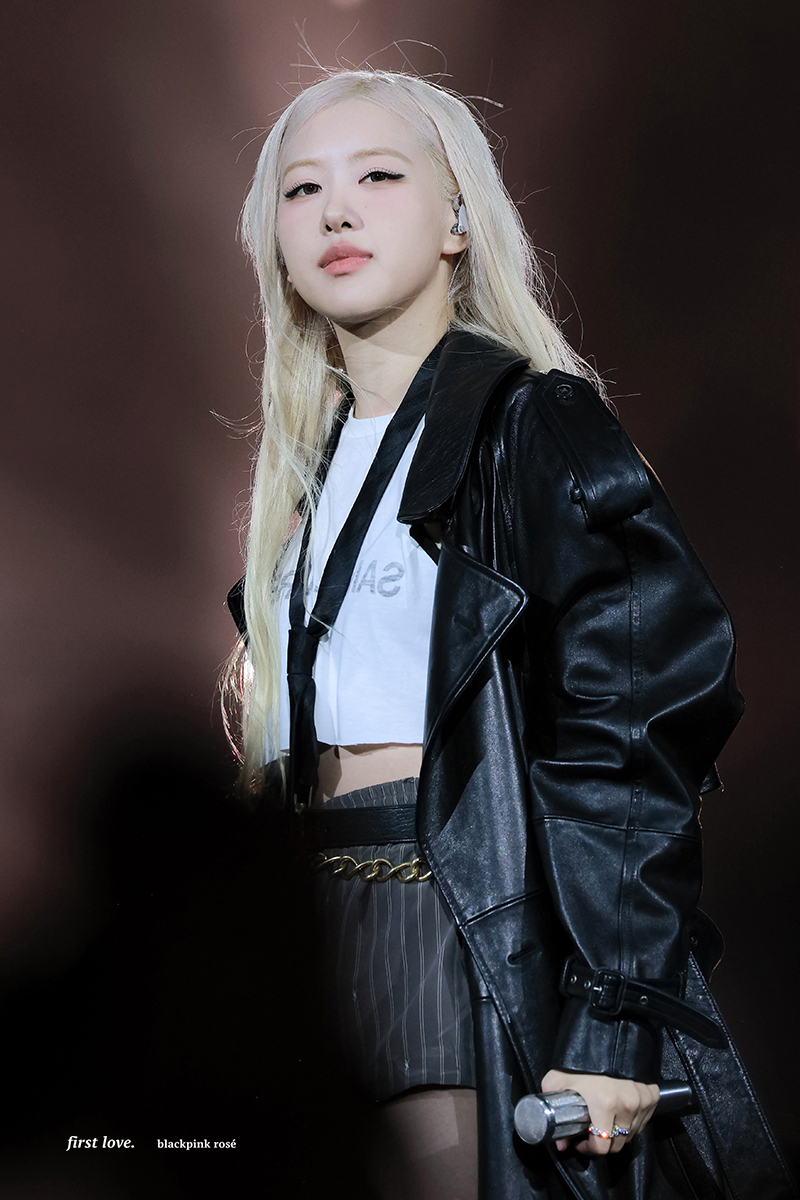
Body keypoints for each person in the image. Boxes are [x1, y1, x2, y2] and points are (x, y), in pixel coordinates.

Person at [223, 69, 793, 1200]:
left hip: (451, 908)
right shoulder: (302, 483)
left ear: (456, 220)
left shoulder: (532, 426)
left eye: (379, 176)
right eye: (302, 189)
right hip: (301, 927)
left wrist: (616, 1010)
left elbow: (634, 718)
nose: (336, 211)